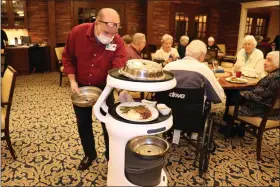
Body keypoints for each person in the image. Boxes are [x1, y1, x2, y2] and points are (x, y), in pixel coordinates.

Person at [62, 8, 129, 171]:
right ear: (97, 23)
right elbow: (67, 58)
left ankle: (110, 157)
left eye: (113, 33)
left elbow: (117, 70)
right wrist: (72, 81)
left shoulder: (118, 42)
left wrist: (121, 90)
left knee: (108, 124)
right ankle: (89, 154)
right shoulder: (78, 33)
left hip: (105, 87)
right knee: (83, 123)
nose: (110, 37)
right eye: (106, 32)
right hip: (81, 86)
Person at [237, 51, 280, 120]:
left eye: (269, 60)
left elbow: (258, 97)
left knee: (232, 93)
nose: (265, 63)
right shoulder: (276, 74)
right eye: (266, 59)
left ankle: (230, 124)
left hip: (260, 110)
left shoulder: (274, 77)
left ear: (277, 63)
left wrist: (243, 93)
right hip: (275, 111)